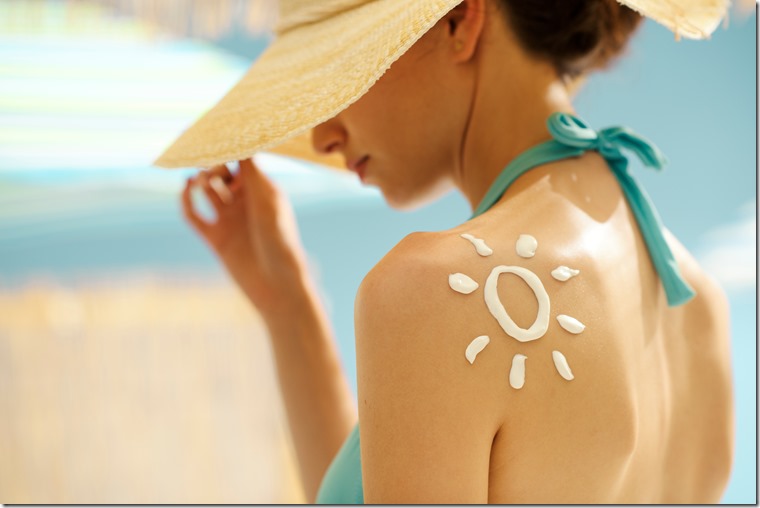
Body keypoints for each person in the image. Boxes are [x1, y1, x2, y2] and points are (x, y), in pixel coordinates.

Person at [162, 0, 734, 503]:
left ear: (460, 20)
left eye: (340, 70)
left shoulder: (430, 293)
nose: (322, 136)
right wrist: (288, 303)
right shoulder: (699, 305)